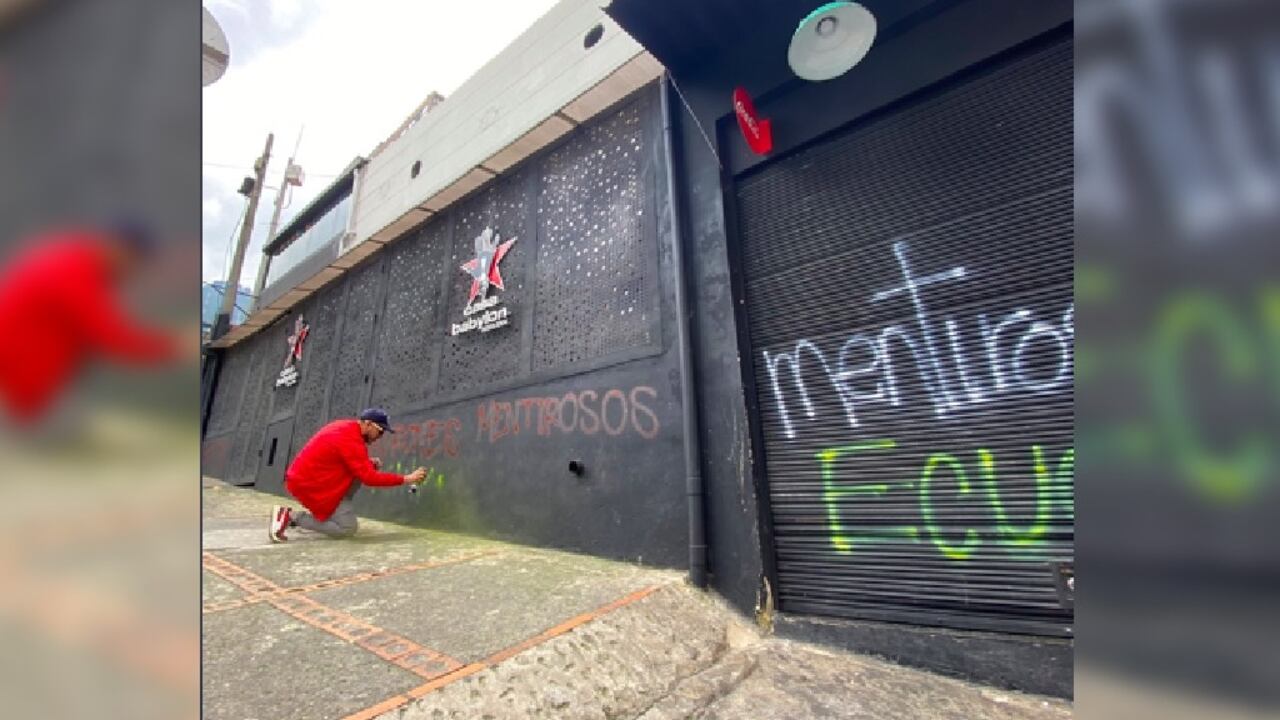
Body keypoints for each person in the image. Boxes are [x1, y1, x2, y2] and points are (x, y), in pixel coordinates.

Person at [0, 218, 187, 426]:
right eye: (136, 261)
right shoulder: (72, 271)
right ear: (120, 249)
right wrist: (174, 348)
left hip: (27, 383)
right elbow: (112, 336)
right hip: (15, 382)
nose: (134, 271)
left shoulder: (74, 259)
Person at [271, 408, 427, 542]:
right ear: (368, 424)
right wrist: (407, 479)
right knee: (347, 528)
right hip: (309, 485)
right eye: (380, 431)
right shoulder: (350, 439)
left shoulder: (345, 428)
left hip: (309, 478)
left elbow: (340, 458)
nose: (380, 437)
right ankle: (291, 516)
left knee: (364, 470)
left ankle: (331, 513)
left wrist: (367, 463)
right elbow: (370, 478)